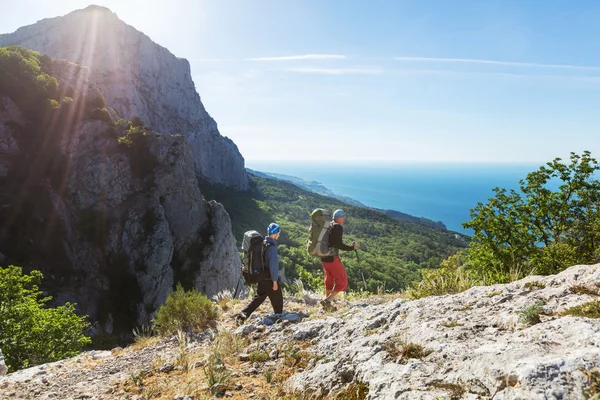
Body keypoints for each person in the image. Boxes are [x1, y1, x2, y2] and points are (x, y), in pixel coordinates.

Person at [236, 223, 283, 324]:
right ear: (275, 234)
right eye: (278, 233)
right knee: (278, 301)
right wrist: (275, 281)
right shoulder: (272, 247)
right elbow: (273, 266)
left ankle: (242, 316)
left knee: (258, 298)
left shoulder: (264, 243)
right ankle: (279, 320)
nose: (279, 235)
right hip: (269, 279)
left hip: (261, 277)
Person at [320, 209, 356, 310]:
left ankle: (328, 301)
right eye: (343, 217)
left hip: (323, 257)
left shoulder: (328, 225)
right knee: (342, 280)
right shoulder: (337, 227)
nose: (344, 219)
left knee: (329, 278)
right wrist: (351, 248)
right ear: (339, 218)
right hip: (332, 258)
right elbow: (338, 244)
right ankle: (328, 300)